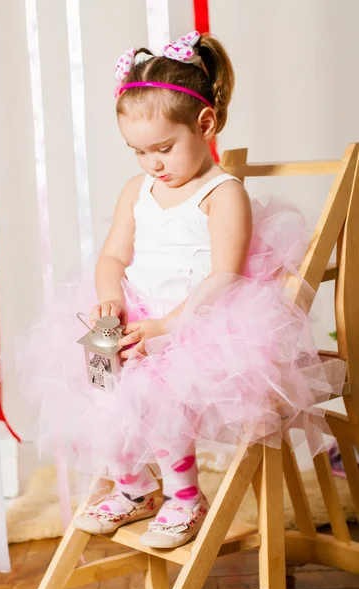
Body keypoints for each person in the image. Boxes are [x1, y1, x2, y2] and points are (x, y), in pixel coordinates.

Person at [20, 31, 344, 549]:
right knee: (93, 369)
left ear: (205, 124)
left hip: (200, 320)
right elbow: (113, 257)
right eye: (138, 152)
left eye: (164, 149)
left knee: (157, 387)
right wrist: (111, 302)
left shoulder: (222, 194)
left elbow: (224, 277)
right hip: (141, 312)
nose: (152, 164)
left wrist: (168, 327)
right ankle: (133, 488)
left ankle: (185, 497)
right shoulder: (138, 190)